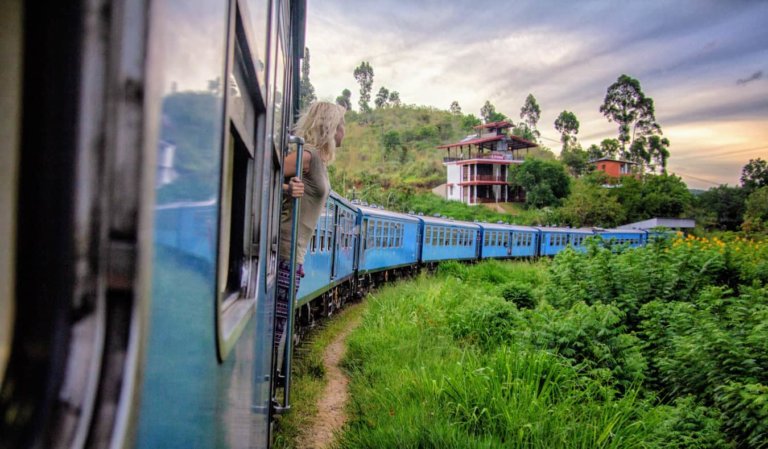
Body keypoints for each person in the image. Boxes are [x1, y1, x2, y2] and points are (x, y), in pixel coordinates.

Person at [274, 101, 346, 370]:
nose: (345, 132)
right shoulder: (308, 156)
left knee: (280, 322)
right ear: (331, 127)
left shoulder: (318, 161)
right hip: (285, 248)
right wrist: (286, 188)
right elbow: (265, 172)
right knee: (276, 324)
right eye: (342, 125)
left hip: (296, 251)